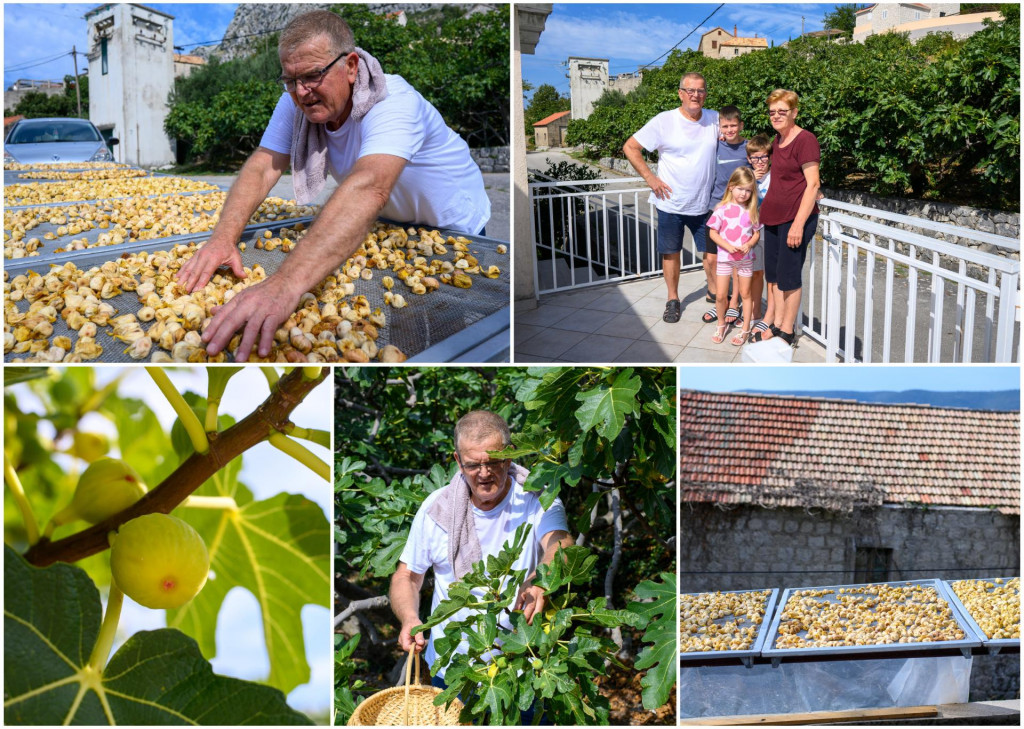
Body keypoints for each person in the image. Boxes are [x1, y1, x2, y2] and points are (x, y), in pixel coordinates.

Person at [176, 9, 490, 361]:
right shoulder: (295, 100)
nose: (301, 92)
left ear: (351, 66)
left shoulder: (393, 100)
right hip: (391, 228)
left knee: (448, 338)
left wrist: (283, 285)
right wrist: (223, 238)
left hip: (455, 229)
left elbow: (369, 186)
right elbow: (264, 165)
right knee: (404, 329)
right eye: (290, 80)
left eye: (313, 76)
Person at [389, 410, 573, 687]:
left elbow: (560, 543)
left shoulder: (537, 497)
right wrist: (410, 618)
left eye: (494, 463)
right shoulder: (436, 510)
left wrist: (540, 581)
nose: (484, 474)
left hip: (524, 663)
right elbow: (407, 577)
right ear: (458, 462)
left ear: (510, 455)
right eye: (474, 465)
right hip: (453, 667)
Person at [623, 72, 719, 323]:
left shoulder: (715, 119)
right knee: (671, 253)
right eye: (690, 90)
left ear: (705, 94)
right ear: (680, 93)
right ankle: (673, 299)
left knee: (712, 255)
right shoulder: (664, 121)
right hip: (670, 204)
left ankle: (715, 294)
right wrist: (650, 179)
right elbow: (630, 147)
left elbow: (736, 145)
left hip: (705, 204)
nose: (695, 95)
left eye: (700, 90)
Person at [758, 89, 820, 346]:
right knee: (773, 276)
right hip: (772, 218)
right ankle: (777, 322)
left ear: (794, 112)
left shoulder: (805, 139)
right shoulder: (777, 140)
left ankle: (787, 330)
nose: (776, 116)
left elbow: (813, 183)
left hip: (793, 220)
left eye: (782, 111)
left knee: (789, 277)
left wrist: (797, 224)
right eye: (772, 112)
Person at [701, 106, 750, 328]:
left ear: (740, 125)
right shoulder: (714, 145)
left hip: (740, 213)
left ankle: (734, 303)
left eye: (733, 125)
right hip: (715, 208)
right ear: (720, 127)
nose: (729, 129)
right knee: (713, 258)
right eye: (725, 126)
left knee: (736, 261)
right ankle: (719, 297)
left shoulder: (748, 148)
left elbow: (763, 167)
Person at [706, 168, 762, 346]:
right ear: (731, 187)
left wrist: (749, 244)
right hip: (724, 258)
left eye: (748, 190)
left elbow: (756, 234)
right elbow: (713, 233)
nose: (744, 194)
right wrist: (728, 247)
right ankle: (721, 324)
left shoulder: (752, 210)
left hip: (745, 259)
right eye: (740, 188)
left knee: (746, 294)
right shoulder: (721, 209)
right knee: (721, 295)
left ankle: (745, 328)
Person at [746, 134, 773, 341]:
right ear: (749, 159)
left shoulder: (776, 177)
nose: (760, 162)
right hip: (752, 233)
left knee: (771, 277)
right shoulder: (747, 179)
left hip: (771, 232)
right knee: (755, 274)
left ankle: (769, 315)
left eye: (763, 157)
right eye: (755, 158)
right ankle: (754, 312)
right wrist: (752, 182)